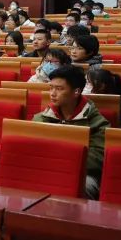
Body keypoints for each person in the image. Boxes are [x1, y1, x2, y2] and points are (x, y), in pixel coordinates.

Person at [34, 66, 109, 199]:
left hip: (84, 174)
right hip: (47, 168)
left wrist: (61, 160)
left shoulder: (97, 123)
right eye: (51, 87)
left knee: (80, 187)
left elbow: (98, 158)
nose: (52, 93)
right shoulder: (40, 118)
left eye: (59, 89)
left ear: (76, 92)